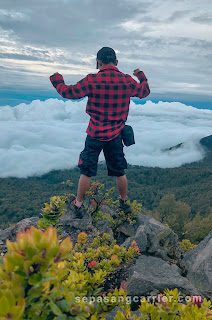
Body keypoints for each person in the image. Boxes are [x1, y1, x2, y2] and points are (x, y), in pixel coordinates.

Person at [50, 47, 150, 218]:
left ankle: (79, 204)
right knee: (119, 170)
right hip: (116, 134)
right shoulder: (127, 81)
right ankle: (124, 202)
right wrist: (140, 75)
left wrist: (57, 79)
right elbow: (144, 91)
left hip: (95, 133)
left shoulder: (92, 80)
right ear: (116, 63)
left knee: (87, 170)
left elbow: (69, 92)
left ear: (98, 62)